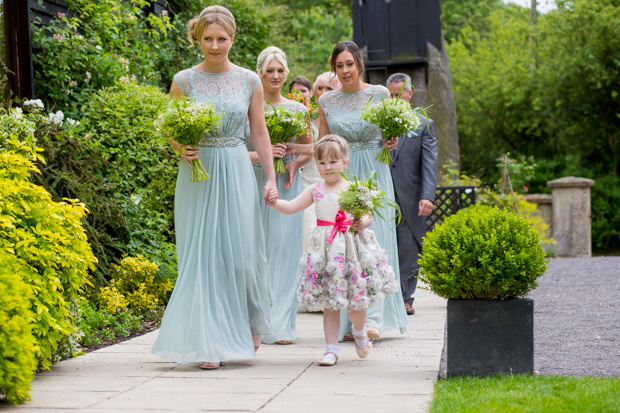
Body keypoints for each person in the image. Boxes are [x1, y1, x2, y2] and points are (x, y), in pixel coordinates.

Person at [151, 5, 277, 370]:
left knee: (243, 253)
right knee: (203, 254)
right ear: (197, 38)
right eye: (208, 38)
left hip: (237, 168)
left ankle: (249, 322)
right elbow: (170, 130)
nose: (215, 45)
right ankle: (210, 341)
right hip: (197, 174)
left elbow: (259, 132)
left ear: (232, 39)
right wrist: (181, 147)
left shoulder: (249, 81)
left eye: (221, 39)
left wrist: (269, 176)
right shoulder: (184, 81)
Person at [266, 135, 399, 365]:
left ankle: (360, 333)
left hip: (351, 250)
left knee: (356, 304)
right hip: (326, 254)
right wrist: (274, 202)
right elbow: (291, 207)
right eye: (322, 163)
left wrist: (362, 222)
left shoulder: (355, 188)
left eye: (333, 162)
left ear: (346, 162)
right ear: (316, 164)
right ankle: (331, 349)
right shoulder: (315, 190)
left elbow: (366, 214)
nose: (328, 167)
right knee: (330, 302)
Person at [316, 41, 410, 340]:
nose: (344, 70)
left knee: (373, 242)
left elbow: (389, 133)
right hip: (343, 176)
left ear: (359, 64)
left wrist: (392, 139)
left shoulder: (380, 94)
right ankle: (349, 322)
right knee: (344, 245)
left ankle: (374, 320)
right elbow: (323, 144)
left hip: (374, 173)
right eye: (339, 65)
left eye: (349, 64)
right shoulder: (327, 101)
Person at [247, 46, 312, 344]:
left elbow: (309, 149)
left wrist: (292, 162)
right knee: (258, 251)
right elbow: (238, 148)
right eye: (270, 70)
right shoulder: (249, 106)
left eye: (280, 70)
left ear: (286, 73)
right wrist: (262, 155)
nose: (275, 75)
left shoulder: (298, 110)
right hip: (254, 182)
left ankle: (283, 325)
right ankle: (258, 322)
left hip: (287, 184)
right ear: (260, 72)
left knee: (286, 252)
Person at [386, 73, 438, 315]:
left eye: (399, 94)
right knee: (385, 246)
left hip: (411, 194)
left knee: (408, 247)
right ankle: (386, 297)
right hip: (383, 192)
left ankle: (406, 298)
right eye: (391, 95)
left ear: (409, 94)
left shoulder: (423, 122)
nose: (395, 98)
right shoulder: (379, 121)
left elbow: (429, 161)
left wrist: (427, 195)